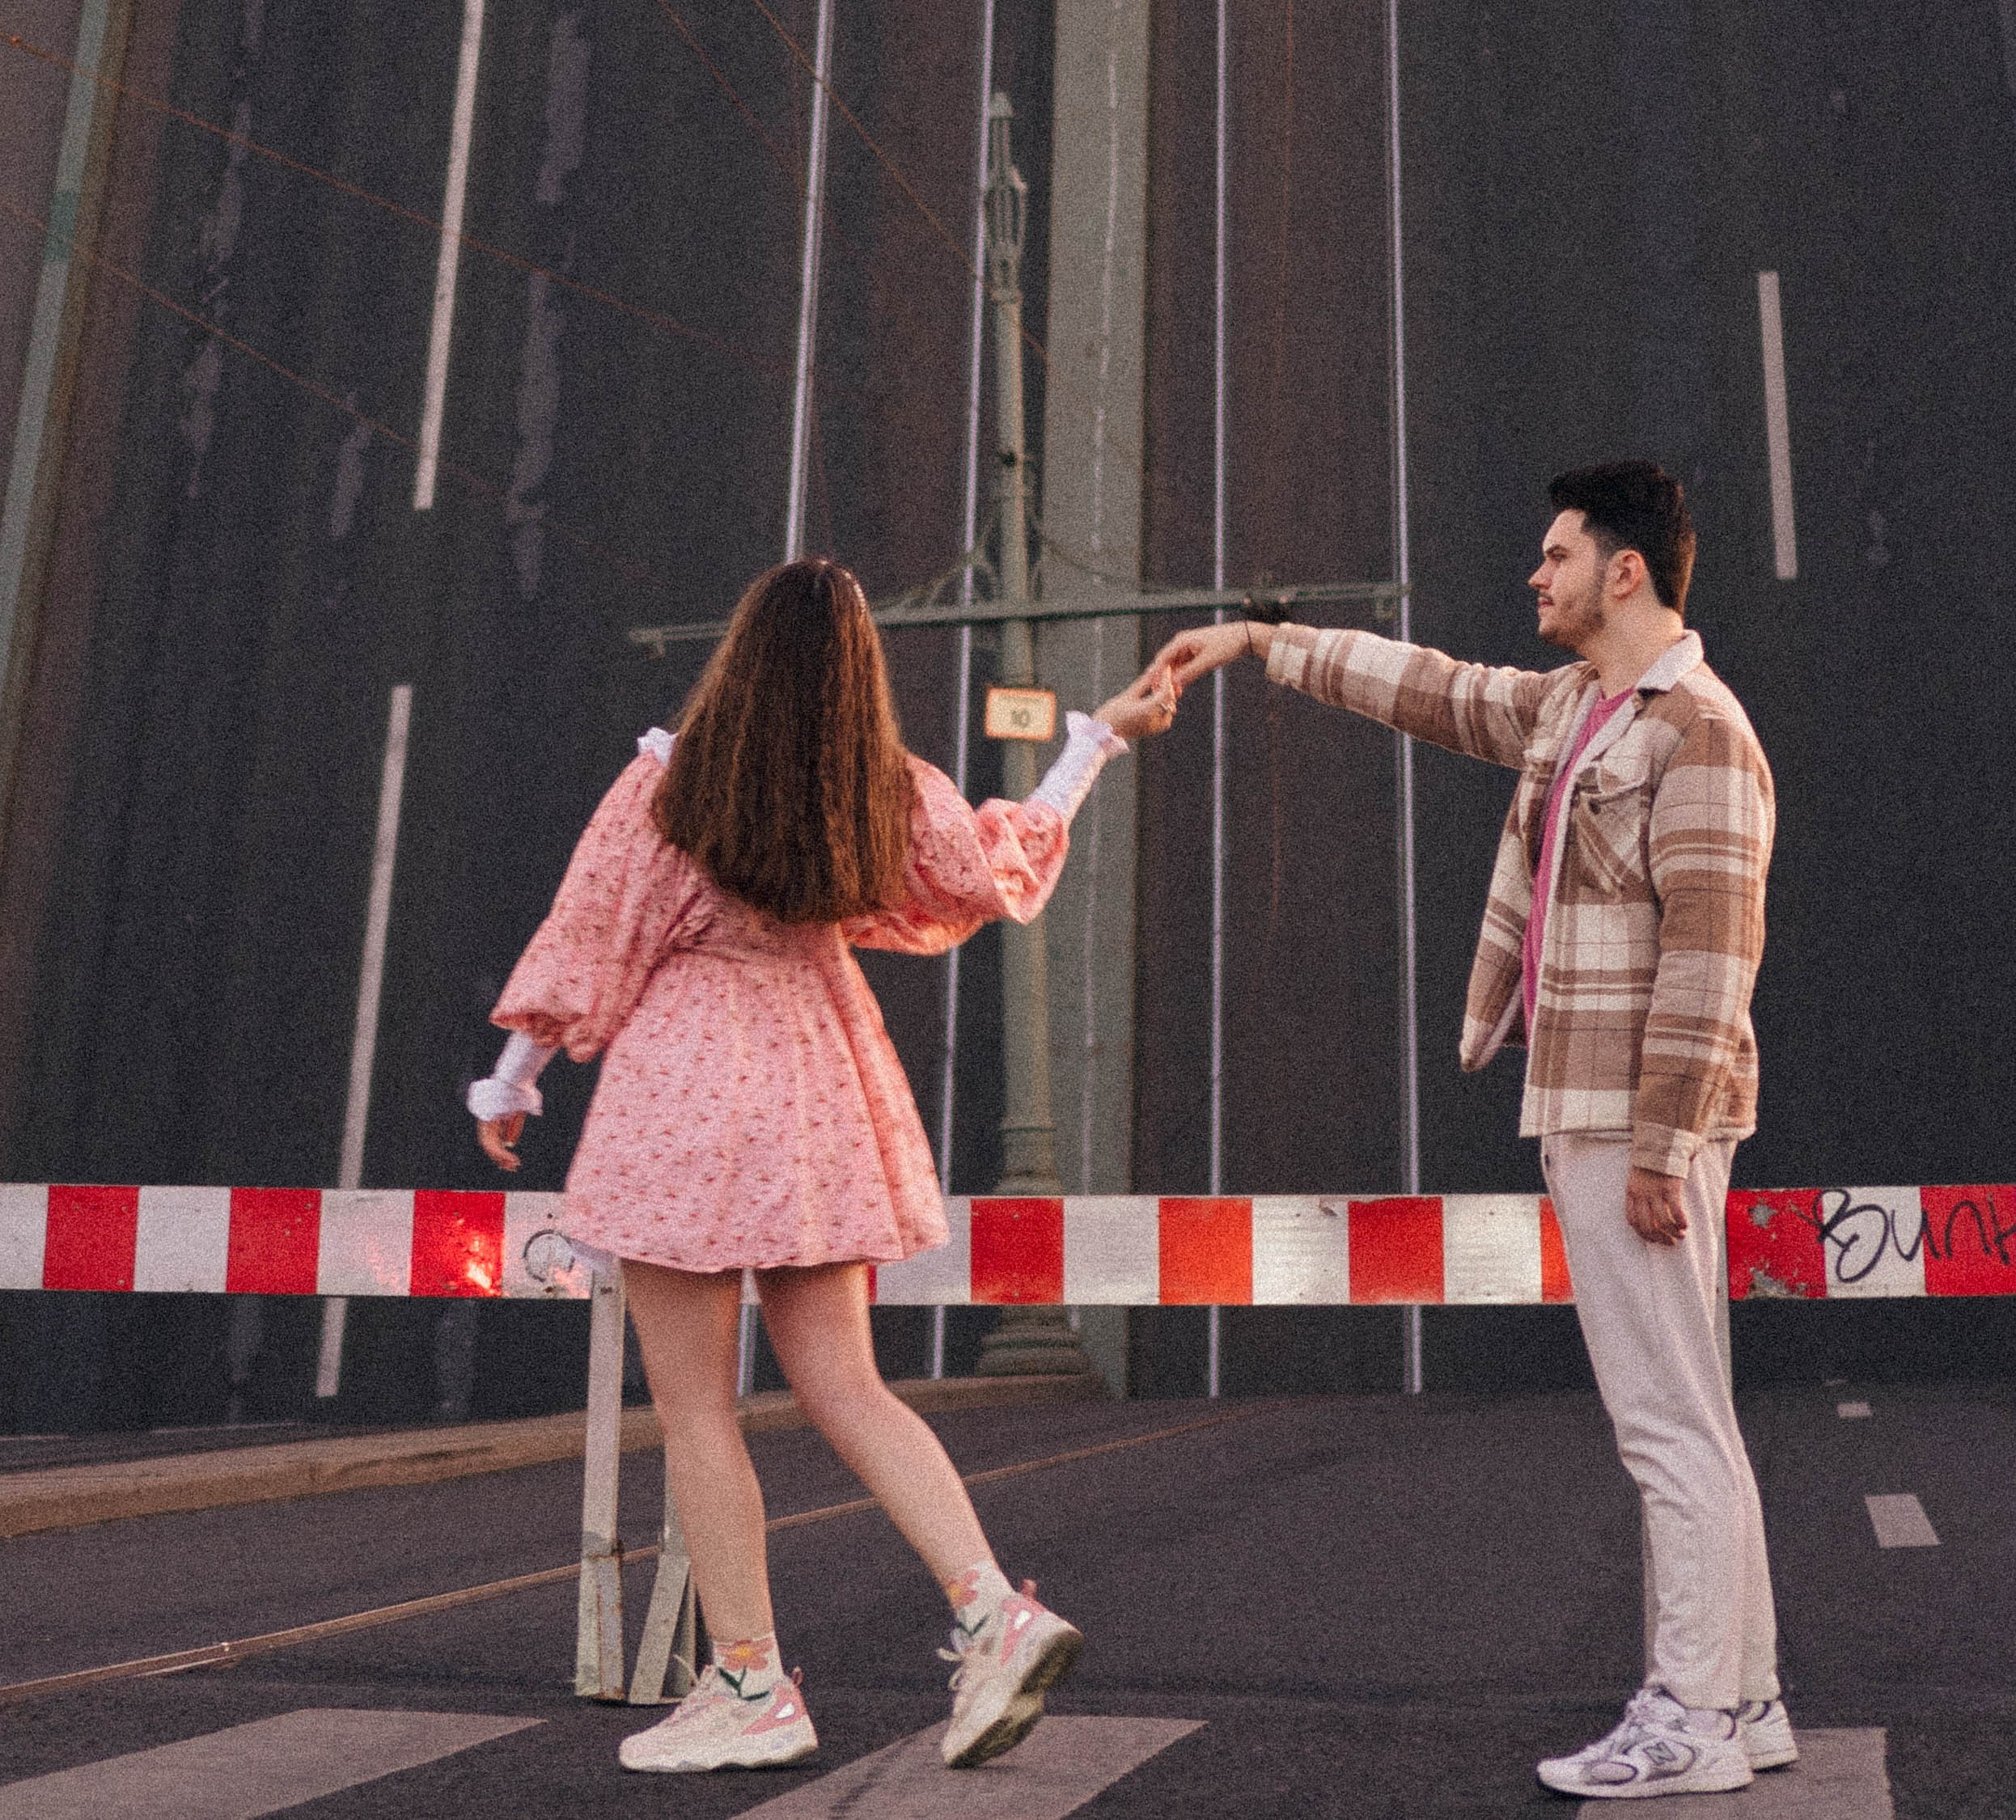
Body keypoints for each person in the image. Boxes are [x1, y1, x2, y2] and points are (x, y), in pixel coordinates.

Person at [468, 555, 1177, 1777]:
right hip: (816, 1083)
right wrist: (1094, 743)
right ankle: (994, 1612)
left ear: (738, 654)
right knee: (849, 1387)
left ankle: (749, 1677)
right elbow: (994, 869)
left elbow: (591, 933)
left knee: (697, 1405)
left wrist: (511, 1083)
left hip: (685, 1094)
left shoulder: (668, 780)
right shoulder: (880, 791)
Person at [1165, 463, 1788, 1803]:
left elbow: (1711, 958)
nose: (1535, 575)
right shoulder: (1578, 707)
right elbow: (1428, 686)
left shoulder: (1701, 733)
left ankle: (1691, 1712)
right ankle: (1748, 1698)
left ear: (1626, 570)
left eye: (1556, 554)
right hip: (1593, 1108)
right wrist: (1264, 643)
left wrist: (1664, 1147)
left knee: (1667, 1429)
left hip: (1635, 1121)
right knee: (1694, 1420)